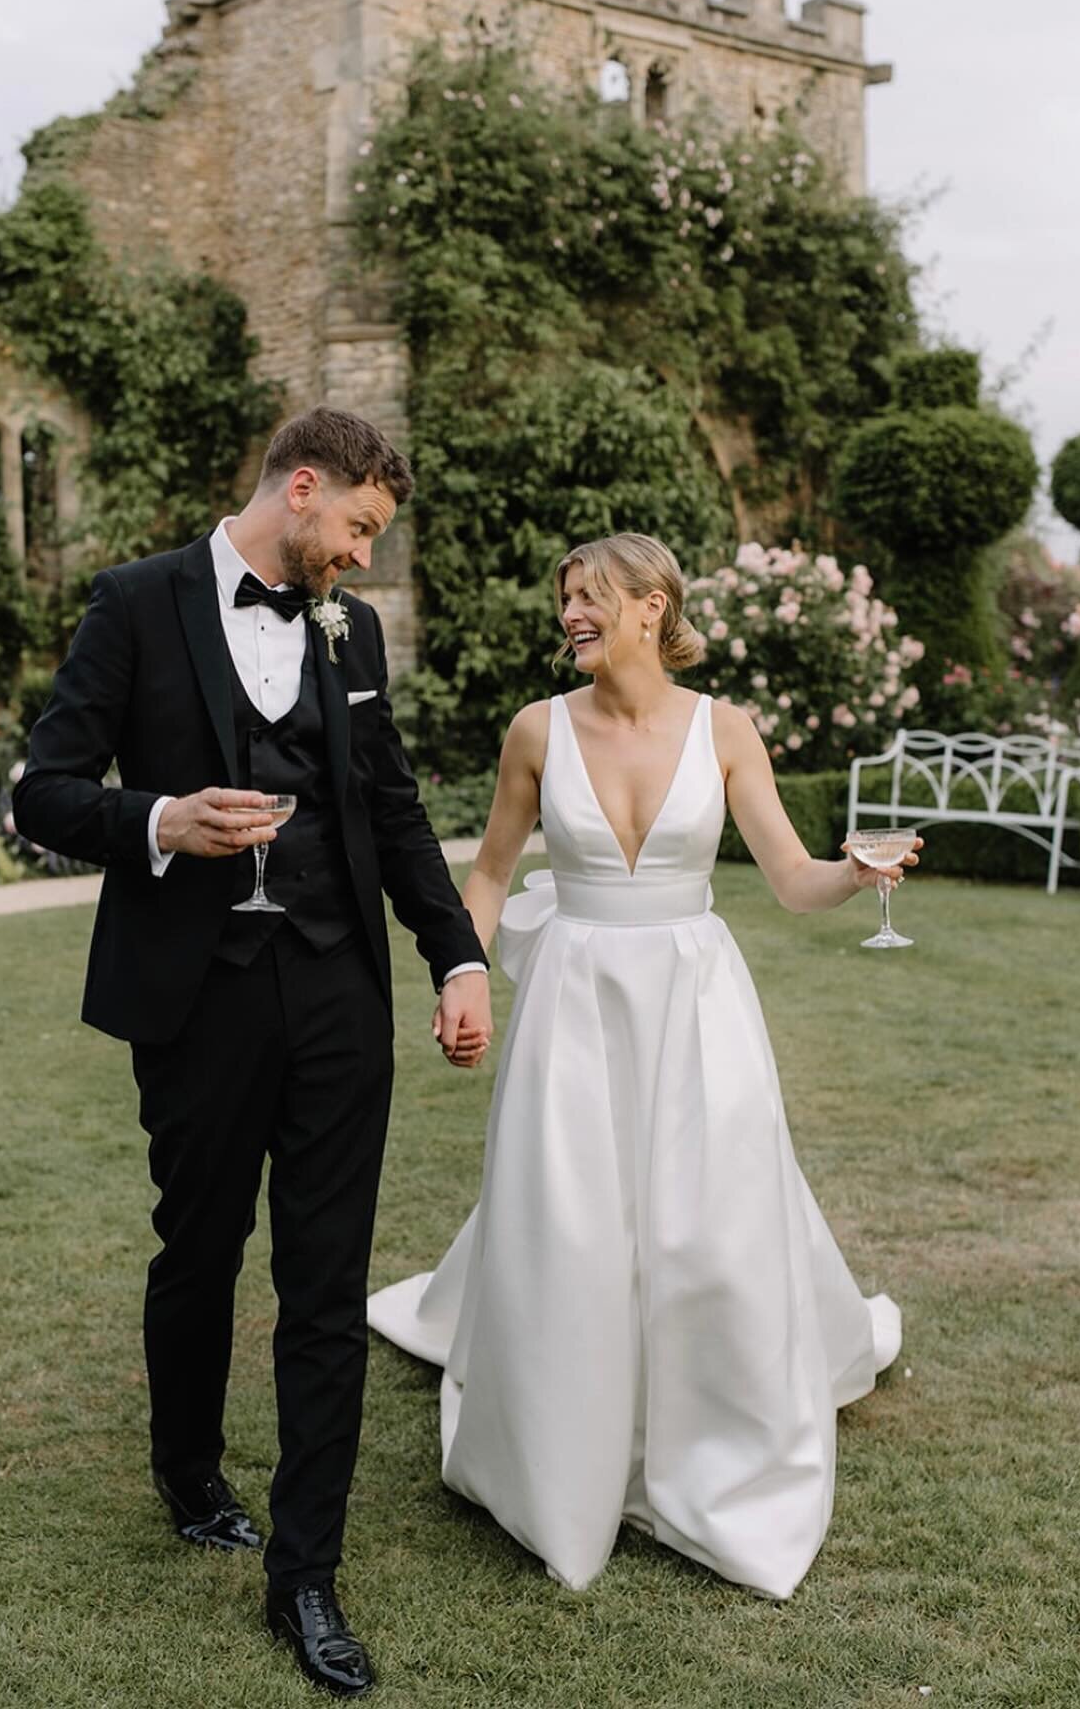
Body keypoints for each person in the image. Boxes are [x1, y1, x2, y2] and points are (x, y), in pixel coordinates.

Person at [13, 406, 492, 1699]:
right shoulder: (134, 604)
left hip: (337, 991)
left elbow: (391, 808)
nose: (360, 561)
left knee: (326, 1284)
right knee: (203, 1246)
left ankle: (306, 1578)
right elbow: (41, 791)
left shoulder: (357, 630)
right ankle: (186, 1470)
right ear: (299, 489)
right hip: (199, 997)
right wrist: (161, 816)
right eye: (355, 530)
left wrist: (455, 955)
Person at [368, 531, 918, 1601]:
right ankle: (564, 1445)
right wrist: (458, 973)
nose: (569, 613)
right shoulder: (536, 731)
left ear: (652, 606)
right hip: (573, 998)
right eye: (563, 598)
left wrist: (854, 874)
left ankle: (716, 1439)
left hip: (694, 997)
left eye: (588, 597)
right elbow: (485, 874)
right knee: (573, 1215)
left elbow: (793, 880)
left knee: (705, 1215)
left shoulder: (726, 730)